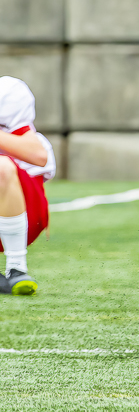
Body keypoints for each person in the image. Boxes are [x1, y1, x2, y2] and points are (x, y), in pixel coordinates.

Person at [0, 76, 55, 295]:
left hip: (22, 205)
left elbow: (37, 155)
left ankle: (17, 268)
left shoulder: (7, 91)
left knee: (1, 166)